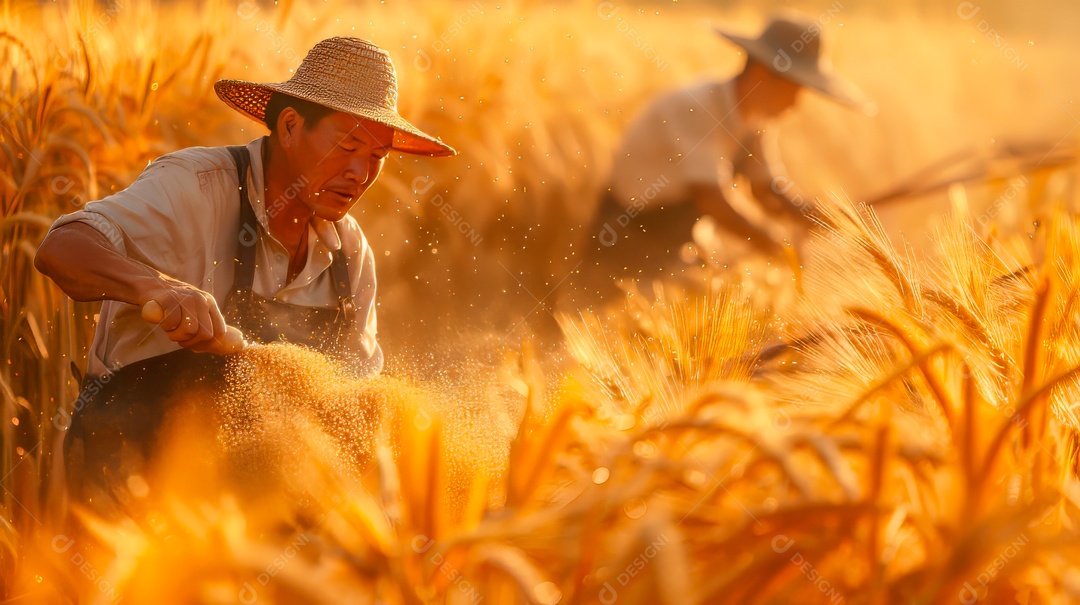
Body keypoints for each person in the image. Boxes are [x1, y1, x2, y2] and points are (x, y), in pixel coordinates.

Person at [34, 37, 455, 506]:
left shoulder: (349, 253)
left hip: (251, 509)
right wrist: (158, 289)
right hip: (127, 483)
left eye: (377, 157)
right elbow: (61, 247)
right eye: (346, 145)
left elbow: (353, 406)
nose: (360, 171)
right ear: (291, 126)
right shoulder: (195, 187)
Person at [582, 11, 873, 298]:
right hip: (629, 235)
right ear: (762, 74)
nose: (796, 104)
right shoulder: (698, 108)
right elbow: (712, 199)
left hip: (675, 237)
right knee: (612, 320)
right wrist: (775, 246)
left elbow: (766, 188)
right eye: (794, 89)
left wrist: (813, 215)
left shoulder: (756, 118)